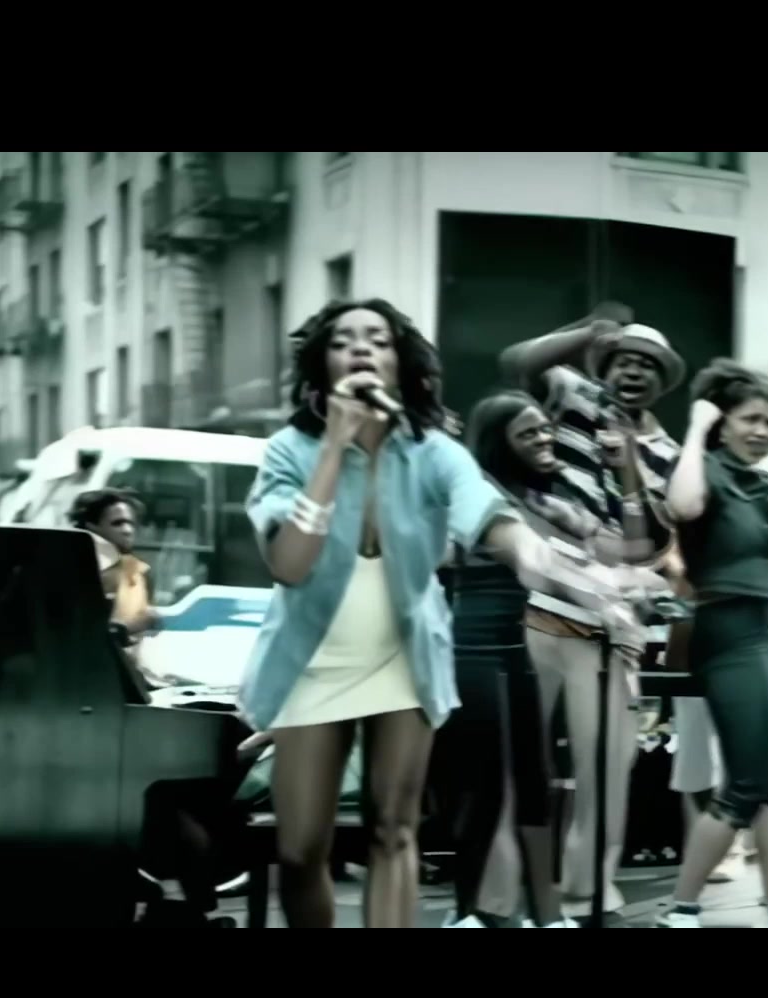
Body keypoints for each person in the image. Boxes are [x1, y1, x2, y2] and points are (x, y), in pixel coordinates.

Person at [240, 298, 644, 929]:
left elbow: (494, 520)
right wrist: (334, 448)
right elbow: (289, 564)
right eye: (343, 340)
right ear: (322, 364)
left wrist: (560, 571)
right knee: (299, 850)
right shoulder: (288, 452)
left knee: (394, 832)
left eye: (378, 339)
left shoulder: (433, 453)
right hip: (313, 659)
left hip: (405, 657)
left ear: (400, 363)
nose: (361, 348)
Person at [499, 308, 685, 915]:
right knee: (517, 758)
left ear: (662, 382)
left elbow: (653, 541)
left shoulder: (668, 452)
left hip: (611, 620)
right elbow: (517, 363)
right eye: (625, 359)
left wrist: (628, 467)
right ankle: (506, 889)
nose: (634, 371)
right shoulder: (573, 395)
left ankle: (589, 887)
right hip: (537, 604)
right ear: (605, 364)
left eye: (648, 366)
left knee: (606, 764)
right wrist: (587, 332)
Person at [658, 361, 768, 927]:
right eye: (750, 419)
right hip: (727, 632)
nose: (763, 431)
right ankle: (681, 907)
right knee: (745, 784)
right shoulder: (703, 468)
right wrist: (696, 426)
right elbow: (683, 507)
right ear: (723, 421)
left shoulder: (761, 484)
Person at [433, 392, 572, 928]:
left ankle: (545, 912)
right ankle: (475, 912)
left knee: (538, 783)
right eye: (527, 433)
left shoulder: (548, 496)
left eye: (545, 429)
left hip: (531, 649)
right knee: (484, 787)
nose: (543, 439)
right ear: (499, 443)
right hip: (477, 647)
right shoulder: (475, 493)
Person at [68, 488, 160, 661]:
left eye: (131, 524)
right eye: (118, 523)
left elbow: (148, 617)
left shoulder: (139, 571)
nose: (127, 530)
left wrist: (130, 627)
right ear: (91, 526)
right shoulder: (71, 570)